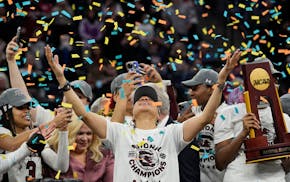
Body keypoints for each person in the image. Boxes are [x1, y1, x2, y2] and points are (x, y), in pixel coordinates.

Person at [44, 44, 241, 181]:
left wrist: (220, 82)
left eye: (149, 98)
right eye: (139, 99)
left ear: (159, 114)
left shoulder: (172, 133)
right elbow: (85, 114)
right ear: (133, 111)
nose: (144, 99)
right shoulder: (119, 132)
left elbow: (206, 116)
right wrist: (63, 82)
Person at [4, 35, 93, 151]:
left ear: (88, 103)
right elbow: (22, 97)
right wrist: (11, 61)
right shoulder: (52, 118)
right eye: (69, 94)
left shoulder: (97, 122)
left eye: (79, 97)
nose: (72, 99)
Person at [214, 57, 290, 182]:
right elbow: (220, 163)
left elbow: (286, 168)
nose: (269, 82)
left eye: (273, 78)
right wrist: (243, 133)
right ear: (248, 82)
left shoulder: (284, 119)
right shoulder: (227, 114)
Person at [0, 88, 71, 181]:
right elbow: (11, 145)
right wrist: (53, 123)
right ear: (6, 114)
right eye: (20, 107)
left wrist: (63, 130)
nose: (26, 111)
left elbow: (61, 167)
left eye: (28, 107)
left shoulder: (37, 134)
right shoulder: (2, 131)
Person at [179, 68, 227, 182]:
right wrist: (179, 124)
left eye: (195, 88)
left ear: (212, 89)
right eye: (190, 89)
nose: (191, 93)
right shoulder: (190, 112)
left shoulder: (228, 113)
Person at [47, 116, 114, 181]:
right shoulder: (53, 153)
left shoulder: (104, 155)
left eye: (88, 133)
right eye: (80, 133)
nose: (84, 139)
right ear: (69, 134)